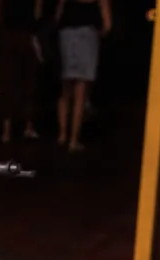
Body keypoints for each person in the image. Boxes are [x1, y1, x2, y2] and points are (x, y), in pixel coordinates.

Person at [55, 0, 111, 152]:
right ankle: (74, 140)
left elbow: (58, 16)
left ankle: (62, 135)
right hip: (88, 36)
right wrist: (100, 34)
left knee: (65, 89)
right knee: (81, 92)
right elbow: (107, 24)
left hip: (66, 35)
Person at [0, 0, 46, 143]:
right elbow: (37, 15)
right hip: (24, 35)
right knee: (27, 81)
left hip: (9, 34)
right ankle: (26, 126)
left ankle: (7, 130)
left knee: (8, 80)